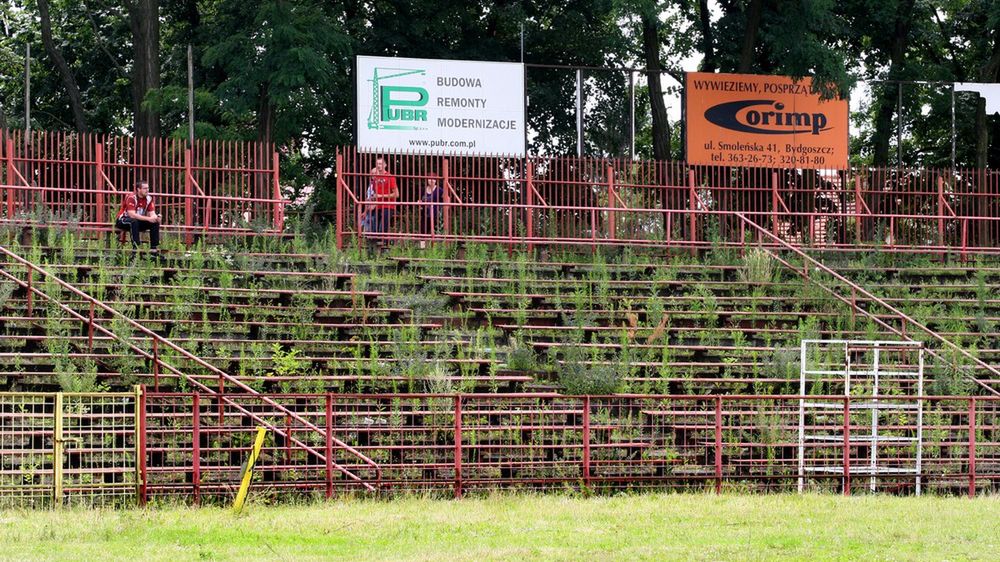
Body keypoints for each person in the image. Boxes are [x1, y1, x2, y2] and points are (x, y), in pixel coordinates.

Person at [115, 180, 161, 254]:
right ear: (138, 189)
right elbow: (131, 215)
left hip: (136, 222)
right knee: (133, 221)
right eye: (145, 188)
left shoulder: (149, 198)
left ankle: (154, 250)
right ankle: (135, 249)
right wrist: (149, 218)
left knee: (154, 223)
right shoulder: (131, 197)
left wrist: (156, 218)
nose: (147, 190)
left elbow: (152, 214)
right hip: (123, 220)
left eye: (148, 188)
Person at [366, 157, 398, 239]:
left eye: (380, 164)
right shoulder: (375, 178)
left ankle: (384, 248)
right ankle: (376, 248)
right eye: (377, 164)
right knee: (375, 229)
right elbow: (374, 194)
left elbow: (396, 194)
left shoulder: (390, 177)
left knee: (383, 229)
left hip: (388, 206)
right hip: (377, 206)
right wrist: (372, 201)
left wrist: (381, 196)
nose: (378, 165)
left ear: (385, 165)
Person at [418, 176, 443, 249]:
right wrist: (419, 203)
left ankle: (434, 250)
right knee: (422, 233)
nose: (431, 180)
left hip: (436, 215)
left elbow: (447, 199)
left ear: (436, 180)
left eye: (433, 179)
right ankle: (422, 250)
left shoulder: (439, 190)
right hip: (425, 215)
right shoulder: (423, 189)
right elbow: (420, 200)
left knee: (435, 233)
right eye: (429, 179)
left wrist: (442, 209)